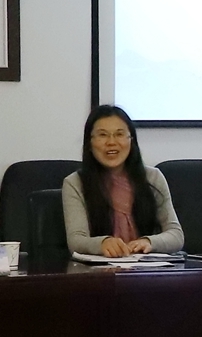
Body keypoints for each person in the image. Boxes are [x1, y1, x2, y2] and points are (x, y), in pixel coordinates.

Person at [60, 104, 185, 260]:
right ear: (90, 143)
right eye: (102, 135)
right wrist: (103, 243)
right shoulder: (75, 183)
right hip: (98, 271)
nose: (111, 142)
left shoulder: (152, 178)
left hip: (146, 269)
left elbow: (176, 235)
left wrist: (149, 242)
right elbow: (76, 240)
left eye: (119, 134)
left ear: (131, 141)